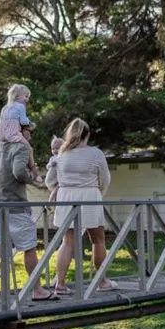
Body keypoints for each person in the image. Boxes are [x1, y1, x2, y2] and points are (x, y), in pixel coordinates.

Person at [0, 122, 57, 304]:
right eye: (29, 130)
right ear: (20, 131)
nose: (31, 134)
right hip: (17, 207)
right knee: (29, 248)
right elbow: (19, 172)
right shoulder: (20, 147)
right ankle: (37, 290)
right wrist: (33, 176)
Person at [45, 118, 115, 294]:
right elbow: (105, 180)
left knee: (68, 242)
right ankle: (102, 282)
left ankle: (60, 284)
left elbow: (49, 180)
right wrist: (98, 193)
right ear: (87, 134)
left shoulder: (61, 154)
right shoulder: (96, 153)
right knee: (98, 240)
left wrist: (61, 187)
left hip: (66, 198)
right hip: (90, 197)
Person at [0, 84, 39, 180]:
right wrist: (30, 123)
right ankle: (33, 169)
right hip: (13, 133)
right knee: (29, 149)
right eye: (26, 96)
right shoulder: (20, 106)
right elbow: (23, 121)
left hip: (1, 135)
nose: (27, 99)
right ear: (17, 96)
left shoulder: (4, 108)